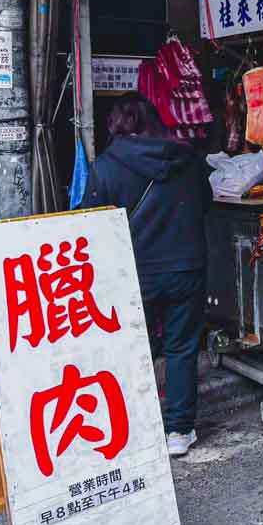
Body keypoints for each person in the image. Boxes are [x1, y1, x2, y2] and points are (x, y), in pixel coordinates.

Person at [81, 93, 210, 458]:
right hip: (186, 267)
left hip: (135, 271)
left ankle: (135, 429)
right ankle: (179, 431)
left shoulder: (107, 166)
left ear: (116, 124)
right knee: (181, 348)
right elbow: (206, 202)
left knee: (136, 349)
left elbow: (92, 221)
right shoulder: (187, 158)